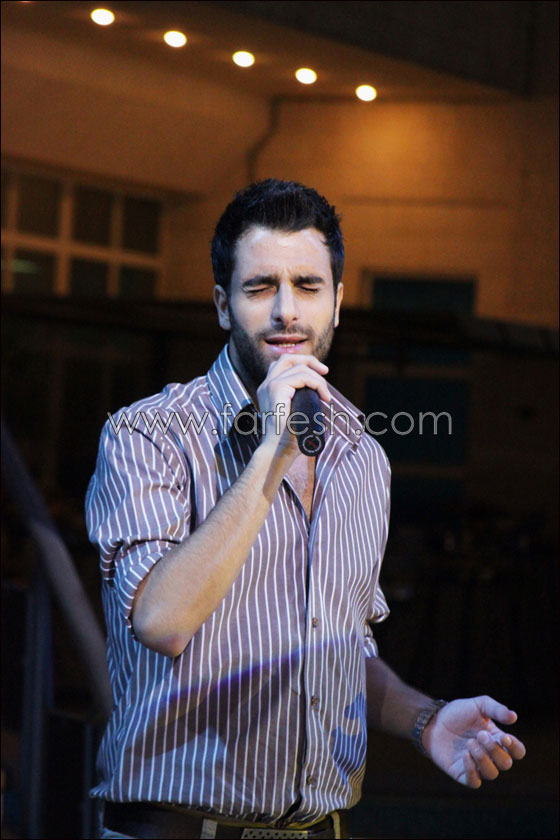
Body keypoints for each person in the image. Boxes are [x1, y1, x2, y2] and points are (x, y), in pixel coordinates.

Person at [86, 179, 525, 840]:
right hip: (178, 827)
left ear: (338, 303)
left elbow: (341, 647)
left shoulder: (362, 457)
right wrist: (272, 451)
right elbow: (162, 620)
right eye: (260, 287)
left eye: (308, 286)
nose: (286, 311)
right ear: (223, 306)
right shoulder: (148, 435)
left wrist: (424, 719)